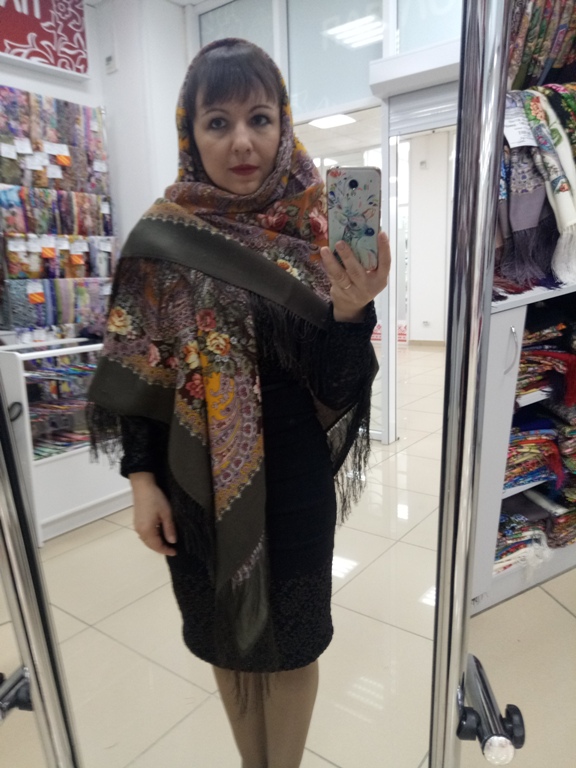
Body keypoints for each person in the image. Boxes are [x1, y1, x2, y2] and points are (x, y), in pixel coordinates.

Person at [88, 38, 391, 768]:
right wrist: (141, 483)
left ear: (283, 123)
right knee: (223, 638)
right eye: (217, 122)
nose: (242, 142)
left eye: (259, 117)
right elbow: (138, 368)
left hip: (291, 482)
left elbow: (340, 387)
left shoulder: (317, 233)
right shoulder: (160, 240)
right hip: (192, 479)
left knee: (293, 645)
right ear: (190, 134)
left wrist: (353, 312)